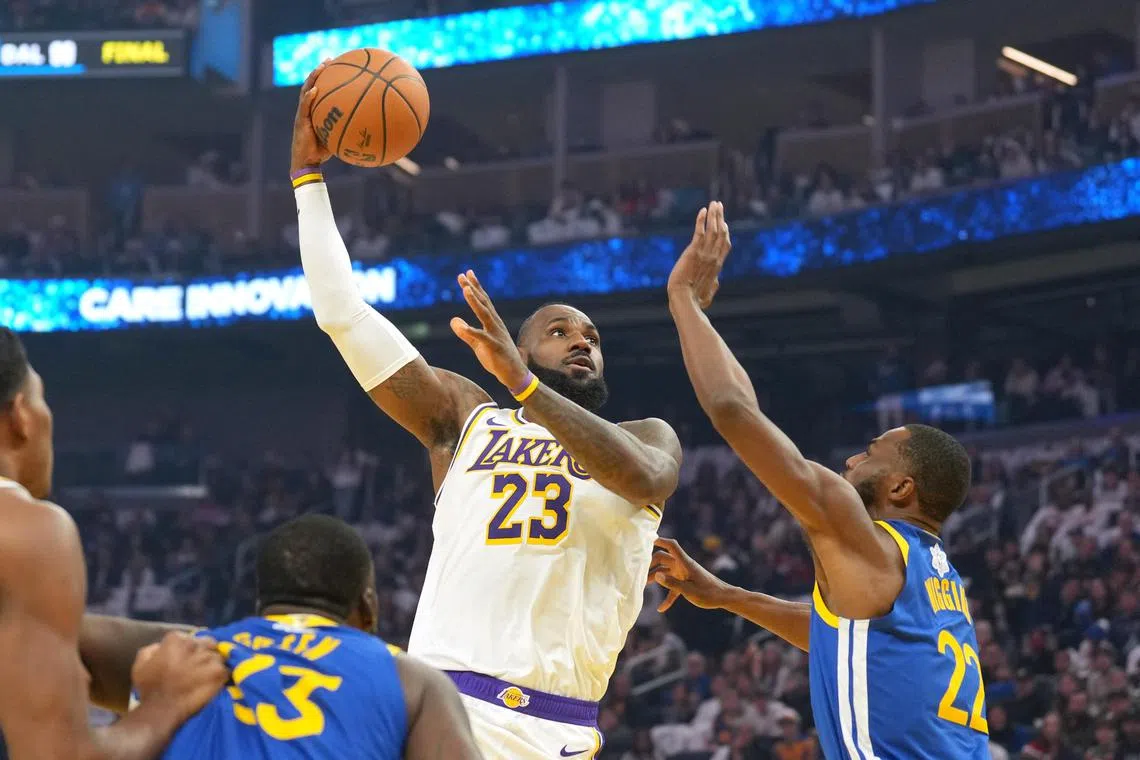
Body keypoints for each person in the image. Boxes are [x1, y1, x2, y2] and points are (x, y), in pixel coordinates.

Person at [290, 63, 682, 759]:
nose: (582, 342)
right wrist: (307, 184)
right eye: (560, 332)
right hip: (440, 707)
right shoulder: (466, 420)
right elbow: (343, 314)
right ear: (518, 348)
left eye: (591, 337)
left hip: (553, 726)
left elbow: (648, 480)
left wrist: (530, 389)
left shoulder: (644, 436)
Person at [650, 202, 989, 758]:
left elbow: (734, 412)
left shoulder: (867, 540)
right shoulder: (931, 572)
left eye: (871, 453)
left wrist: (684, 299)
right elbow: (834, 636)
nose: (852, 461)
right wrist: (727, 596)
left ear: (901, 488)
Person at [0, 326, 229, 759]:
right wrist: (165, 704)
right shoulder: (26, 529)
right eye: (42, 397)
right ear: (20, 416)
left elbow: (76, 638)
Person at [82, 514, 483, 760]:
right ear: (368, 607)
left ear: (263, 604)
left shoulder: (184, 655)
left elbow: (64, 634)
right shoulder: (412, 680)